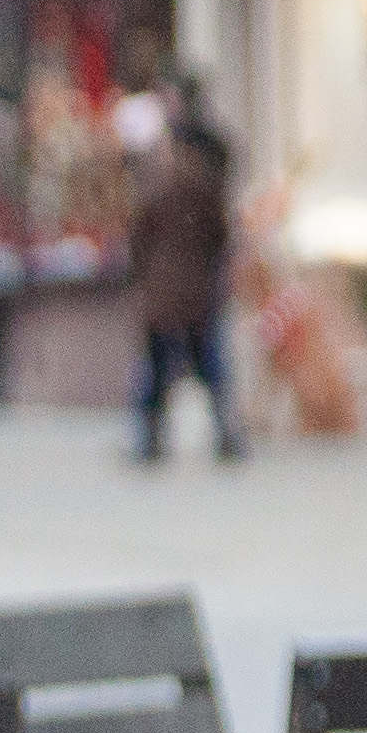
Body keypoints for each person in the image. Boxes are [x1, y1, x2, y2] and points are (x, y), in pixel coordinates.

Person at [126, 85, 241, 465]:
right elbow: (220, 237)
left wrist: (145, 275)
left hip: (163, 294)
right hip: (198, 292)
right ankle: (226, 435)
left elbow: (138, 237)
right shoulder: (207, 188)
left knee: (159, 370)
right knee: (209, 366)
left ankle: (150, 440)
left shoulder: (158, 188)